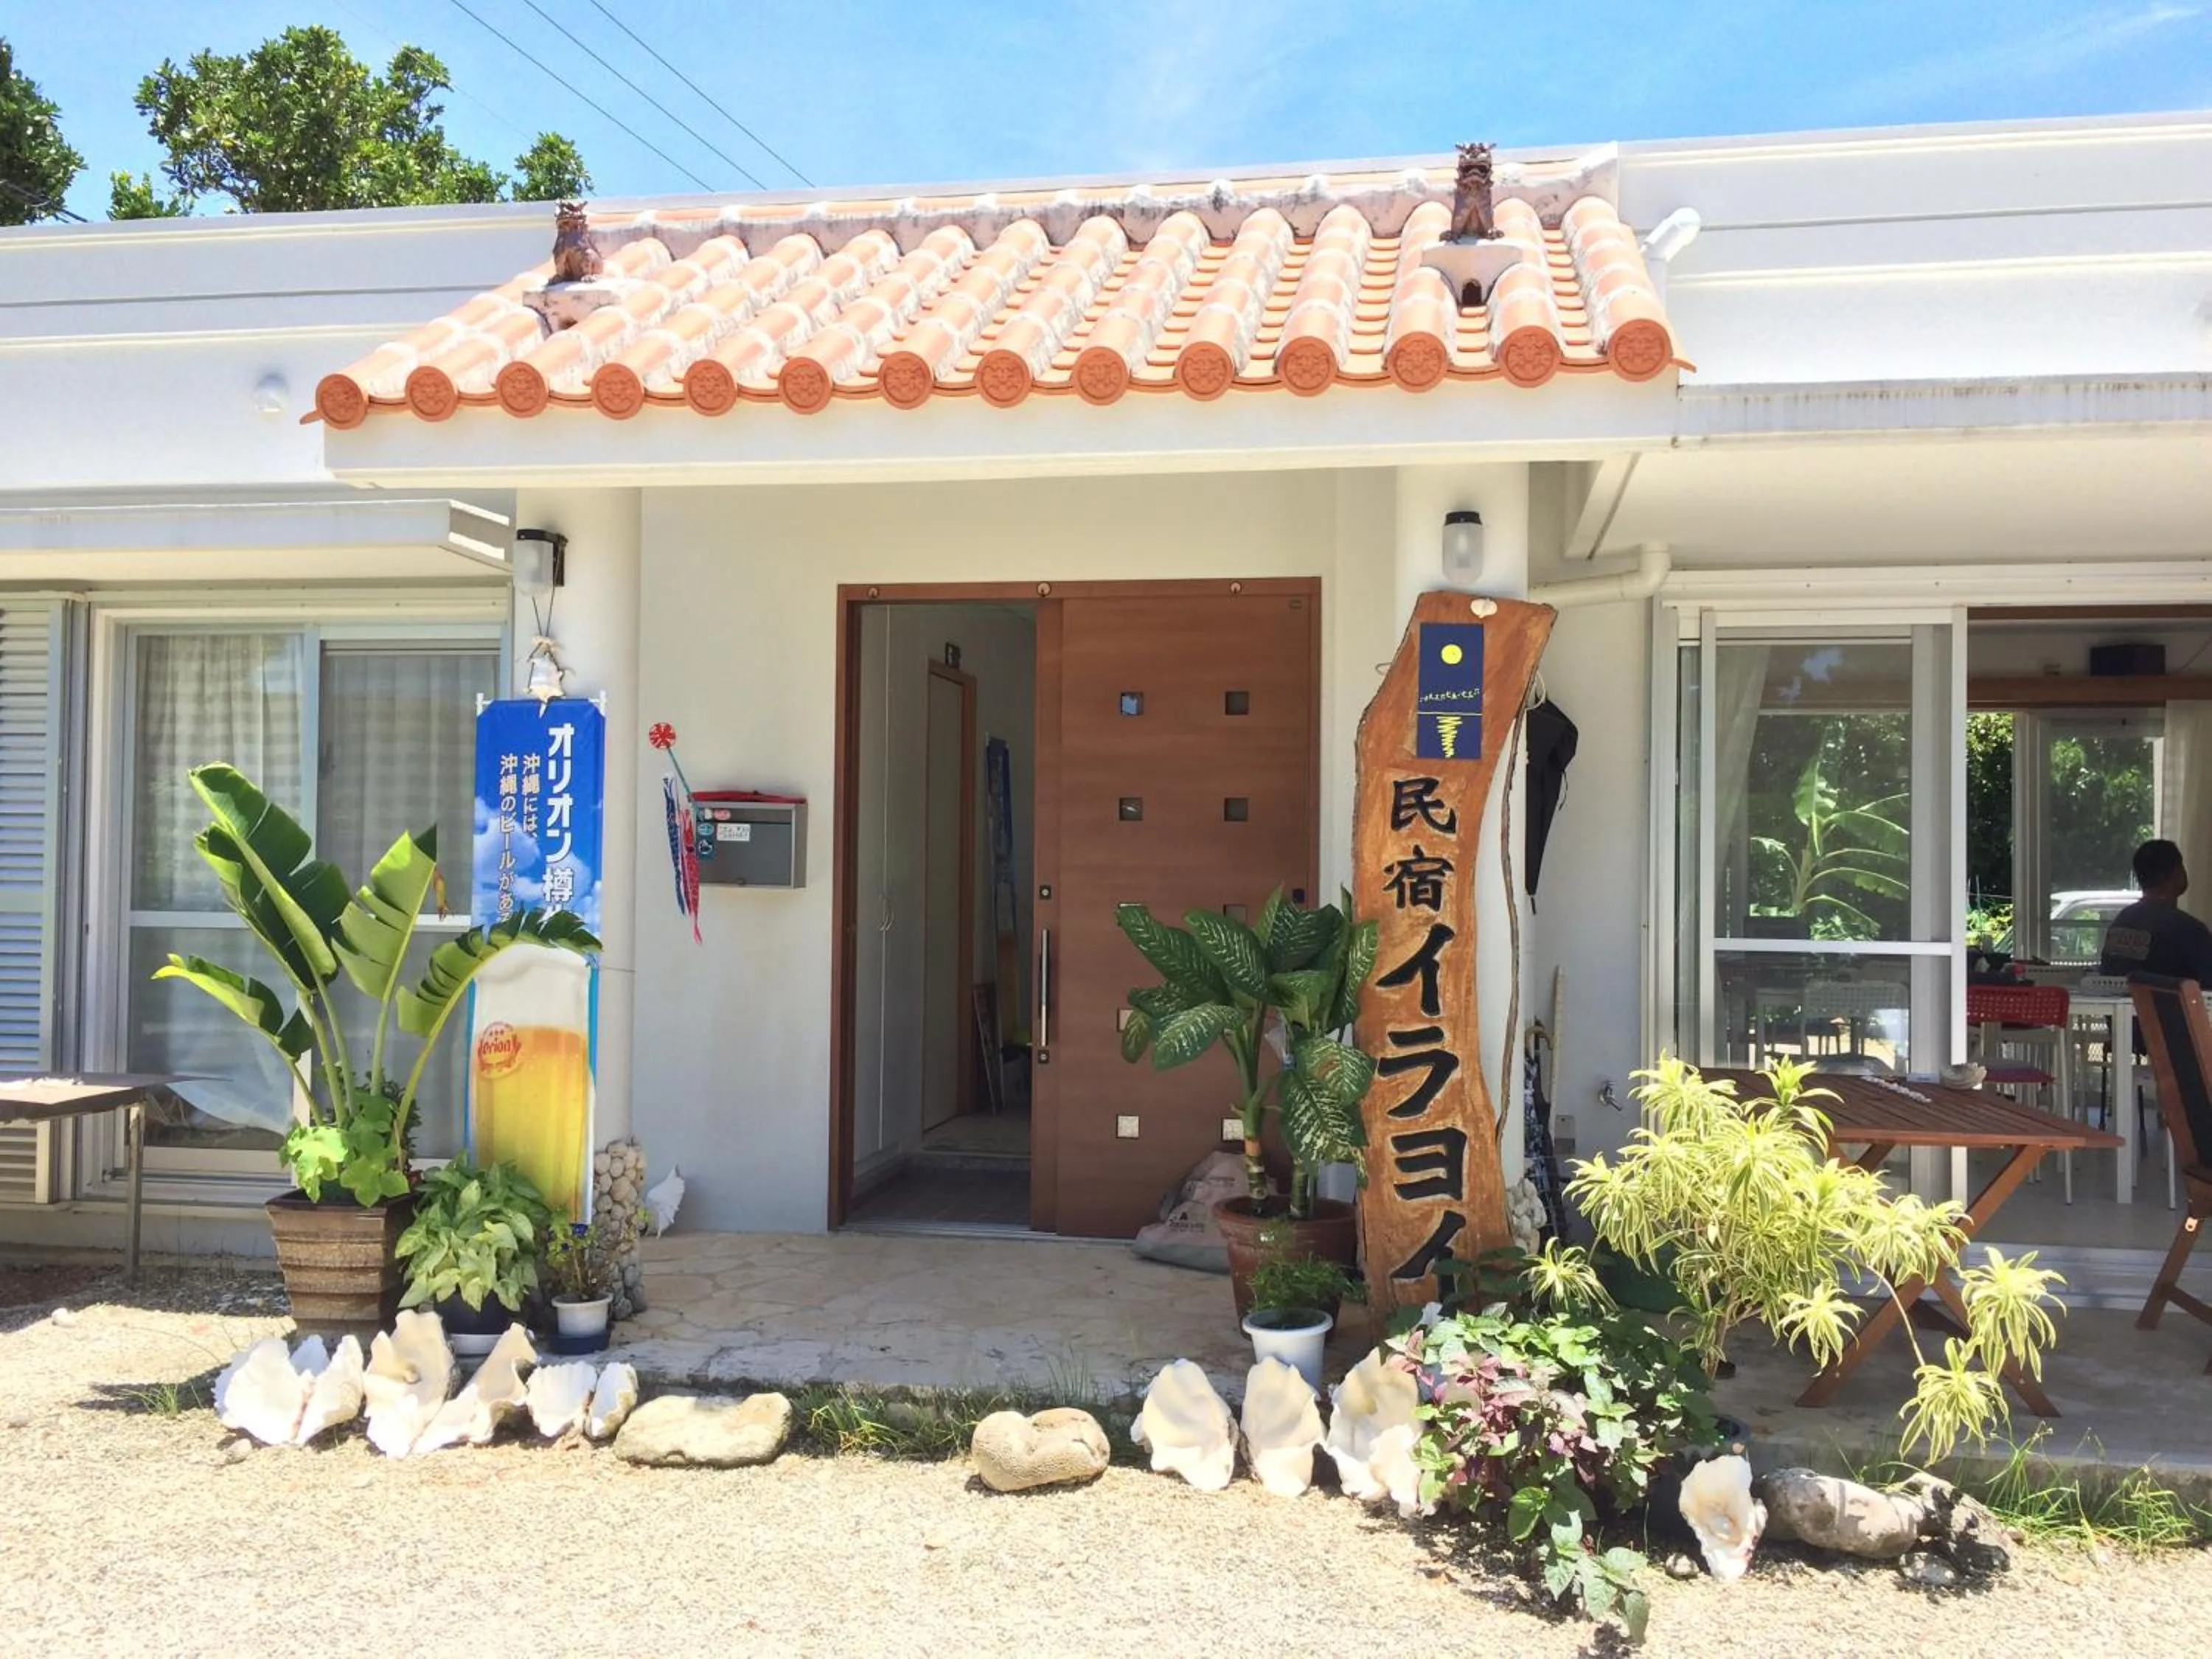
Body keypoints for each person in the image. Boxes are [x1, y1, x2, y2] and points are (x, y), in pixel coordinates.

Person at [2099, 839, 2212, 982]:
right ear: (2177, 873)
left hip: (2124, 1005)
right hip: (2175, 1005)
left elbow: (2108, 976)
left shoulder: (2122, 922)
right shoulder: (2191, 931)